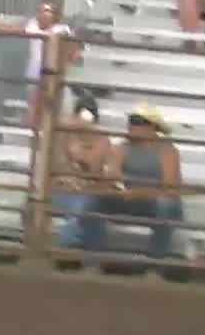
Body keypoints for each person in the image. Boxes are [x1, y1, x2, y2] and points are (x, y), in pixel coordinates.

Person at [61, 104, 184, 273]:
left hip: (153, 200)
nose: (131, 124)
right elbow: (113, 174)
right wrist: (113, 183)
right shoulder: (122, 147)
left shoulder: (167, 151)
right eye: (131, 120)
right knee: (93, 202)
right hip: (129, 199)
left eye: (138, 121)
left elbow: (170, 189)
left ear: (152, 127)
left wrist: (141, 192)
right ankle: (93, 262)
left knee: (166, 207)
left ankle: (155, 268)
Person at [0, 2, 78, 127]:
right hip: (35, 74)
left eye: (46, 10)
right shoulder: (33, 25)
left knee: (54, 107)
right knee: (35, 106)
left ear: (55, 15)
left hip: (54, 75)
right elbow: (9, 29)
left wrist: (66, 57)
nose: (41, 13)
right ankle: (35, 131)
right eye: (40, 10)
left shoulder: (62, 30)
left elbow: (74, 51)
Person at [50, 95, 113, 254]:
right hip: (61, 190)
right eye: (81, 116)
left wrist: (80, 156)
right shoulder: (63, 134)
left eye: (88, 116)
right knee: (87, 211)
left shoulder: (102, 141)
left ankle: (66, 244)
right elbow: (55, 166)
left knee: (87, 208)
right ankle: (80, 252)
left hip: (86, 192)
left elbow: (93, 170)